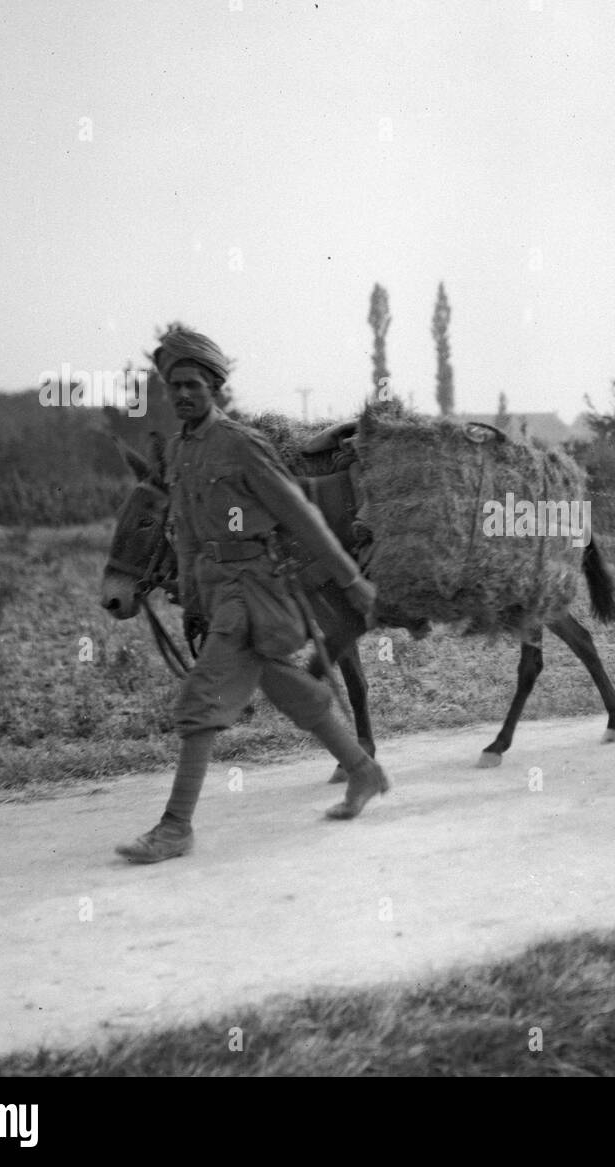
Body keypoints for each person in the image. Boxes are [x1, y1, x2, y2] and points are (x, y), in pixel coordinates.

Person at [115, 327, 389, 864]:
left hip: (253, 590)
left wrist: (353, 582)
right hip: (220, 593)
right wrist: (193, 596)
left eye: (194, 383)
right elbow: (190, 532)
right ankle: (364, 770)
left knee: (201, 701)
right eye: (175, 386)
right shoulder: (180, 450)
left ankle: (175, 828)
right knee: (293, 692)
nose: (184, 394)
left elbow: (300, 515)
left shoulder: (240, 444)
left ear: (215, 387)